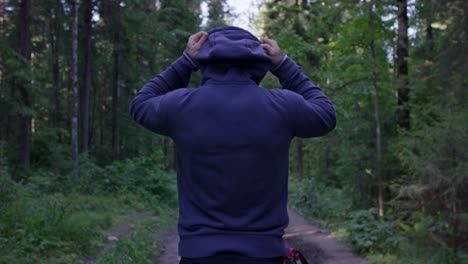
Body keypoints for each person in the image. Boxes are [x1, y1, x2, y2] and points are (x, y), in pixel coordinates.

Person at [130, 26, 336, 264]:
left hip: (199, 255)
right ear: (259, 62)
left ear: (206, 61)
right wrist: (283, 65)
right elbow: (326, 115)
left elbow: (140, 103)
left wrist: (185, 61)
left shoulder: (181, 105)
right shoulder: (283, 106)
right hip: (264, 254)